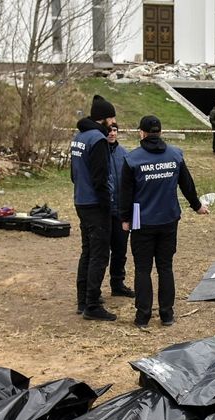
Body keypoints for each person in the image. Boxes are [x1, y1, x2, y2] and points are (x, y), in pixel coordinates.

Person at [120, 115, 209, 329]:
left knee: (142, 269)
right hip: (169, 219)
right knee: (165, 267)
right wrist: (197, 206)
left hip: (142, 221)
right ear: (160, 132)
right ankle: (167, 315)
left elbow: (126, 193)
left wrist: (125, 219)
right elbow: (187, 184)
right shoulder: (175, 155)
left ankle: (143, 316)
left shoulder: (132, 159)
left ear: (141, 132)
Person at [71, 95, 117, 320]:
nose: (114, 122)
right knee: (99, 254)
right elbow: (100, 179)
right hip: (95, 204)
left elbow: (73, 174)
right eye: (112, 117)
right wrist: (106, 205)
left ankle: (83, 299)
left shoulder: (79, 136)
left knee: (87, 251)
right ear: (104, 118)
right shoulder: (97, 140)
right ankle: (92, 305)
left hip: (80, 200)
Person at [106, 123, 134, 298]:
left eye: (115, 130)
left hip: (120, 210)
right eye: (109, 130)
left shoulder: (124, 154)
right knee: (100, 252)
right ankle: (92, 290)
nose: (112, 133)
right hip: (103, 211)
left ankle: (117, 284)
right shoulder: (99, 152)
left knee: (120, 250)